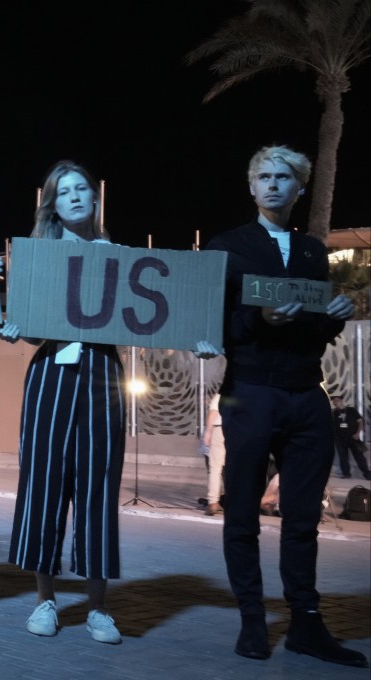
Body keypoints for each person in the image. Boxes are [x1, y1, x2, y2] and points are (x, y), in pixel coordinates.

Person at [204, 145, 366, 667]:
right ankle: (253, 621)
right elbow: (214, 328)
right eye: (264, 177)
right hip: (250, 392)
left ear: (299, 189)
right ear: (252, 187)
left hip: (306, 394)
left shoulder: (314, 251)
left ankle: (305, 624)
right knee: (243, 513)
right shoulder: (226, 248)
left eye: (284, 178)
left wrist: (336, 314)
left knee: (302, 520)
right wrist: (260, 321)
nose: (274, 185)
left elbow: (315, 327)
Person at [0, 160, 125, 645]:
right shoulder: (37, 256)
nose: (74, 196)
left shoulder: (118, 256)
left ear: (94, 197)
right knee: (43, 484)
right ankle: (45, 600)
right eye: (63, 191)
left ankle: (98, 609)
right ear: (52, 202)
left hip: (102, 374)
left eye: (81, 189)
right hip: (50, 373)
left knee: (98, 487)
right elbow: (29, 328)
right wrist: (14, 329)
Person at [331, 395, 369, 480]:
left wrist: (358, 433)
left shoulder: (352, 410)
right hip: (340, 439)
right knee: (343, 457)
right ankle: (346, 474)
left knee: (359, 456)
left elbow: (360, 422)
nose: (335, 402)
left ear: (341, 400)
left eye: (336, 400)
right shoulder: (334, 413)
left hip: (353, 437)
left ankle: (367, 473)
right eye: (333, 401)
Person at [201, 393, 225, 515]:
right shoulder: (247, 394)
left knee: (215, 467)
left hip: (220, 429)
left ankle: (213, 502)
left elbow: (213, 412)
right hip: (239, 430)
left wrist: (208, 432)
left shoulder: (221, 395)